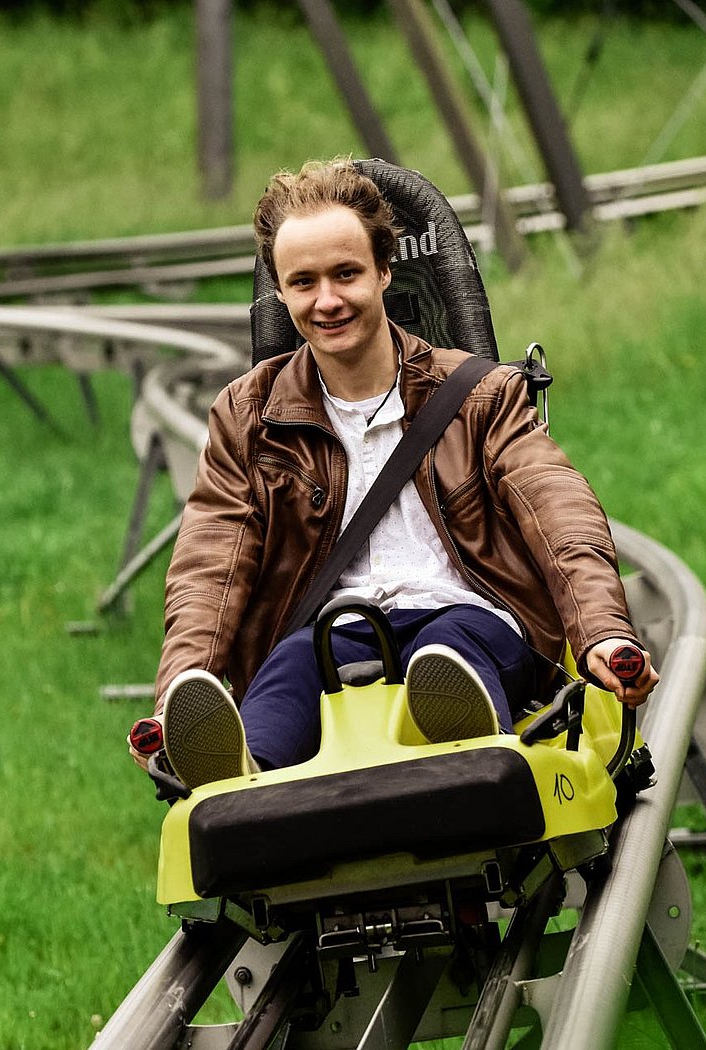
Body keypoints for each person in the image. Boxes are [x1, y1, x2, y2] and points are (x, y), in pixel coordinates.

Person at [130, 159, 658, 790]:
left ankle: (462, 728)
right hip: (335, 632)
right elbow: (209, 561)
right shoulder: (247, 414)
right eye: (304, 282)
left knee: (452, 646)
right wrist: (177, 693)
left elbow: (558, 509)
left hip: (470, 614)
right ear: (281, 292)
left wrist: (602, 633)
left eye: (346, 274)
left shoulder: (481, 394)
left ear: (385, 272)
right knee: (289, 668)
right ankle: (242, 771)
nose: (327, 300)